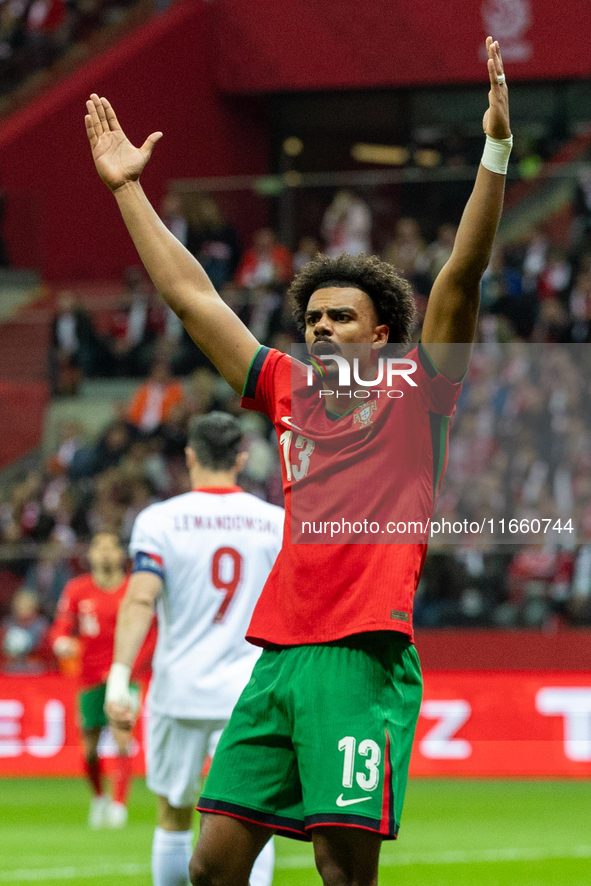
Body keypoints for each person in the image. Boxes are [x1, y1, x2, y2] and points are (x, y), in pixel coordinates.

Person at [84, 35, 511, 885]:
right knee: (212, 867)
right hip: (275, 654)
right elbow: (190, 296)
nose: (318, 328)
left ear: (381, 333)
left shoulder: (421, 390)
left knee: (338, 868)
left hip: (362, 657)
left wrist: (494, 152)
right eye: (311, 317)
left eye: (339, 318)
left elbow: (460, 274)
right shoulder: (284, 387)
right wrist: (129, 190)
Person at [104, 412, 284, 886]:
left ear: (189, 457)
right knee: (250, 821)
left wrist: (119, 679)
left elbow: (140, 597)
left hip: (178, 691)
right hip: (249, 695)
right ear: (242, 457)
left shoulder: (159, 521)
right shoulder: (277, 524)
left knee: (172, 817)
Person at [50, 530, 155, 828]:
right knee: (89, 748)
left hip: (124, 676)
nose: (106, 553)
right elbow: (60, 627)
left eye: (111, 547)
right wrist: (61, 642)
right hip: (89, 676)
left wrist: (134, 667)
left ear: (121, 555)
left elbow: (151, 631)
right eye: (100, 548)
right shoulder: (77, 589)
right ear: (91, 555)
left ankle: (119, 806)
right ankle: (98, 797)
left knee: (123, 738)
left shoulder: (133, 590)